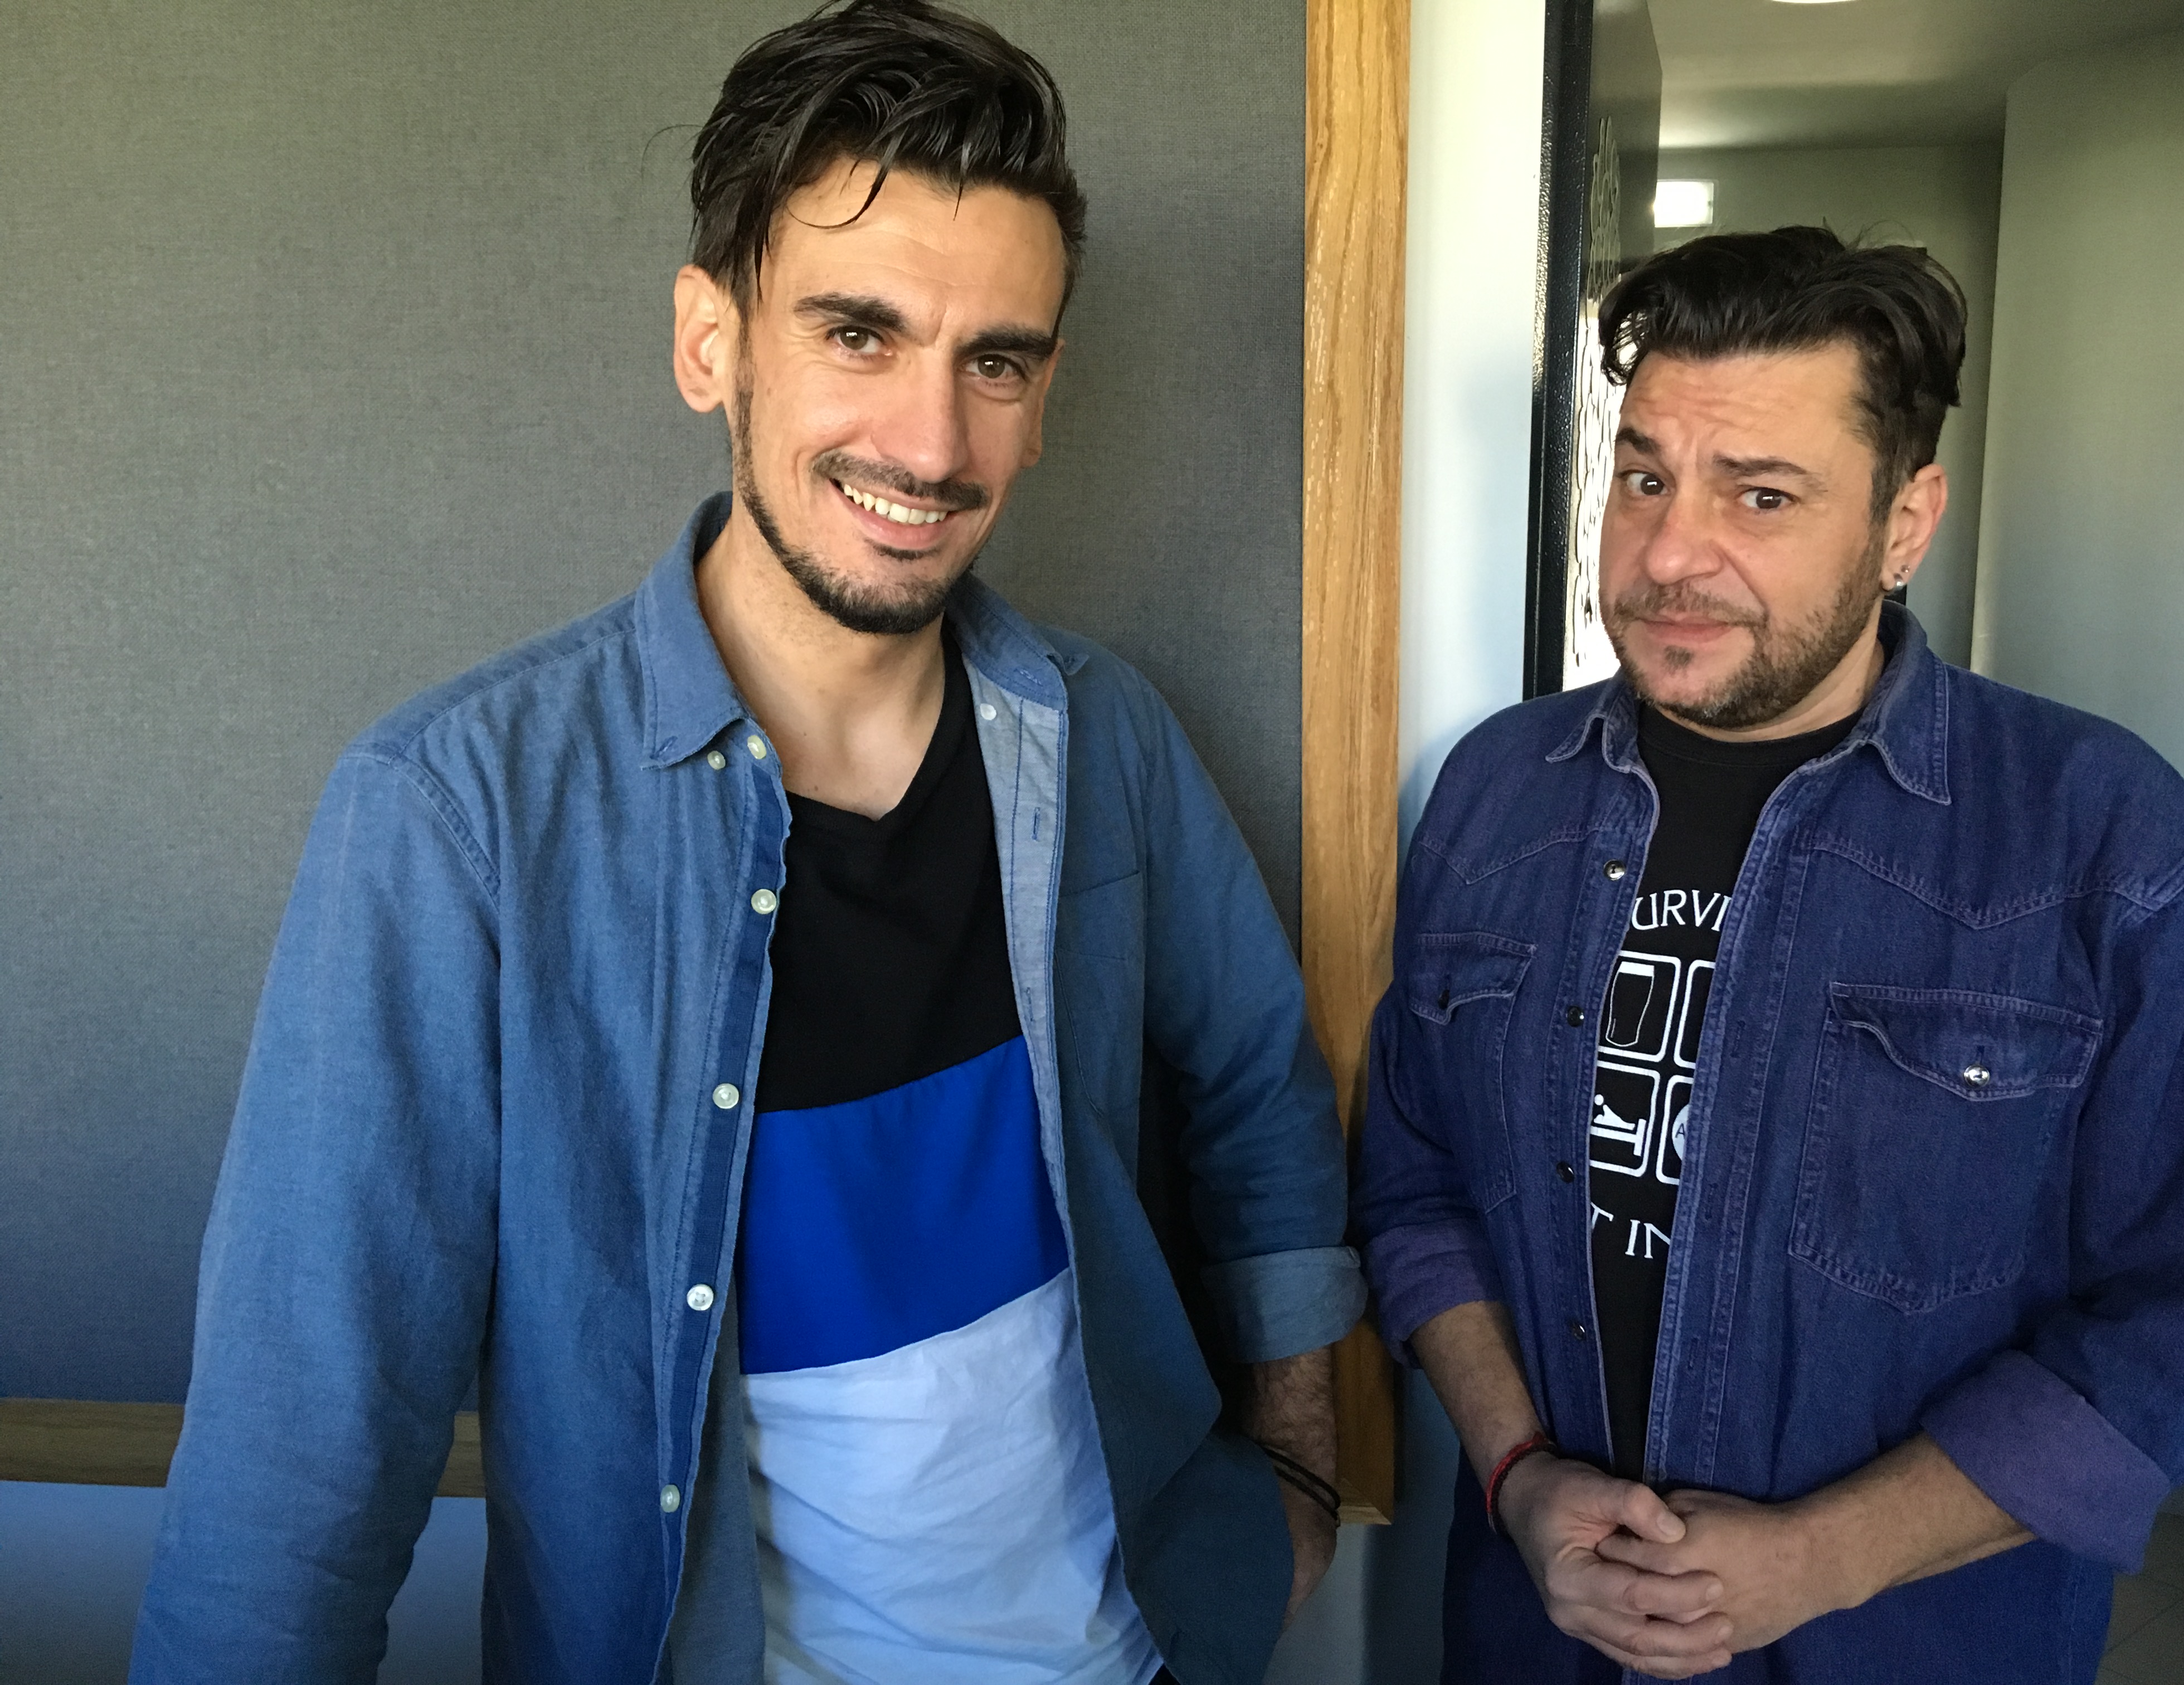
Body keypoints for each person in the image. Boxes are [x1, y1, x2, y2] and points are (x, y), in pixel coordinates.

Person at [131, 4, 1361, 1681]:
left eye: (995, 362)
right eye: (859, 333)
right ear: (711, 342)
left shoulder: (1103, 732)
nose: (932, 445)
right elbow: (302, 1452)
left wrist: (1300, 1465)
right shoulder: (457, 818)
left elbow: (1256, 1085)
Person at [1352, 226, 2184, 1683]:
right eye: (1646, 476)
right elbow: (1416, 1191)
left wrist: (1826, 1558)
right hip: (1537, 1635)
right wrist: (1517, 1475)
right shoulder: (1492, 795)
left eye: (1760, 495)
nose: (1668, 554)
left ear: (1906, 523)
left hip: (1910, 1649)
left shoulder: (2110, 846)